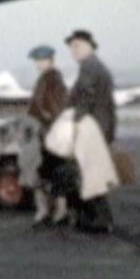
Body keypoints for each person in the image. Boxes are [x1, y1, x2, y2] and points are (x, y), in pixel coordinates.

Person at [64, 29, 116, 232]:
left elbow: (86, 98)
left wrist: (74, 122)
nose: (72, 51)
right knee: (91, 174)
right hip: (100, 127)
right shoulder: (95, 66)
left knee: (89, 174)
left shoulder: (89, 67)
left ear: (88, 46)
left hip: (91, 129)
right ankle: (96, 218)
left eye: (76, 46)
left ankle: (101, 220)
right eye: (71, 47)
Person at [27, 45, 70, 226]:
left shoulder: (51, 80)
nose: (38, 64)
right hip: (48, 133)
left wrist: (46, 121)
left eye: (41, 61)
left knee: (49, 172)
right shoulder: (48, 79)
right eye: (37, 61)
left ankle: (51, 211)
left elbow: (53, 108)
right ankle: (52, 211)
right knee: (50, 172)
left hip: (50, 134)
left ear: (49, 61)